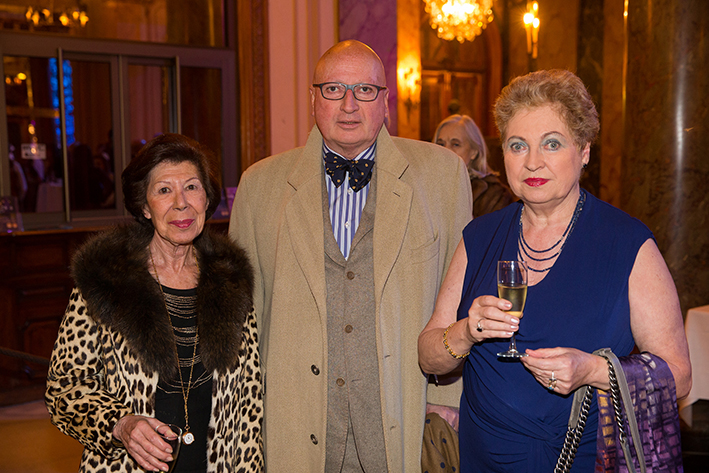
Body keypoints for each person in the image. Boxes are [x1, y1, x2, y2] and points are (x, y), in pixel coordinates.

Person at [418, 69, 691, 472]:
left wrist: (591, 370)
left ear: (584, 151)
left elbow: (679, 376)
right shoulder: (479, 236)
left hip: (582, 459)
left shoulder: (627, 243)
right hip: (483, 458)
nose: (533, 162)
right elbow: (428, 357)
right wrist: (466, 331)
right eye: (518, 146)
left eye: (552, 143)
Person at [229, 40, 472, 472]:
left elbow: (460, 297)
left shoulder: (443, 175)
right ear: (312, 99)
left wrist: (447, 395)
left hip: (404, 413)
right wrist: (250, 415)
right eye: (333, 89)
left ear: (385, 101)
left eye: (364, 90)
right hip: (296, 418)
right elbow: (244, 320)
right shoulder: (259, 186)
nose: (348, 105)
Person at [46, 133, 263, 472]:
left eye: (192, 187)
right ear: (145, 207)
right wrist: (121, 425)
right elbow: (64, 388)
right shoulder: (106, 281)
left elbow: (250, 404)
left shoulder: (231, 281)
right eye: (164, 190)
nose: (181, 203)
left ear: (207, 199)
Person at [434, 114, 516, 217]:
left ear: (474, 152)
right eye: (441, 144)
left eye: (455, 144)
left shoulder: (495, 195)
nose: (446, 150)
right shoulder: (425, 187)